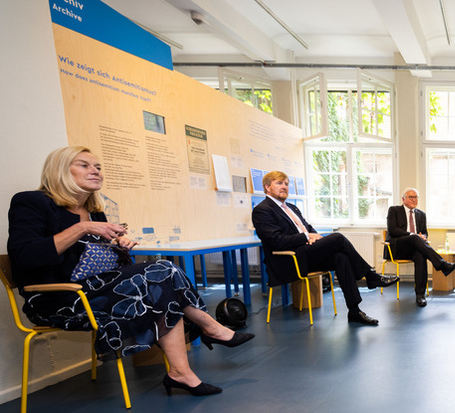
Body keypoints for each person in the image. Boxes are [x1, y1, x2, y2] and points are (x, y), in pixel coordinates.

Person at [7, 146, 254, 397]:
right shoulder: (31, 202)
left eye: (98, 167)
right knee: (164, 272)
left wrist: (119, 247)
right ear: (59, 169)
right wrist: (83, 229)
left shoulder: (94, 211)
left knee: (164, 278)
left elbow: (100, 263)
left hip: (98, 290)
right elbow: (25, 257)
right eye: (84, 165)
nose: (95, 171)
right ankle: (209, 329)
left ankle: (182, 371)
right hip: (60, 298)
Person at [252, 171, 397, 326]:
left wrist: (314, 236)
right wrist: (307, 237)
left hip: (306, 253)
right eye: (279, 183)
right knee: (338, 238)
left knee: (341, 258)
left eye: (286, 184)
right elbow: (276, 241)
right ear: (267, 187)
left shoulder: (292, 208)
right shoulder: (263, 210)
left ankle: (354, 311)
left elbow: (307, 228)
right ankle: (370, 276)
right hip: (290, 259)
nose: (284, 187)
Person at [386, 188, 455, 307]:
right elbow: (393, 230)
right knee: (415, 238)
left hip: (414, 247)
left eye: (416, 197)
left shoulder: (421, 214)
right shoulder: (394, 210)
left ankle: (420, 295)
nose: (414, 199)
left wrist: (423, 237)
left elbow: (424, 233)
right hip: (398, 247)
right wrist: (413, 235)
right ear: (403, 199)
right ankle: (441, 264)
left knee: (420, 256)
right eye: (411, 197)